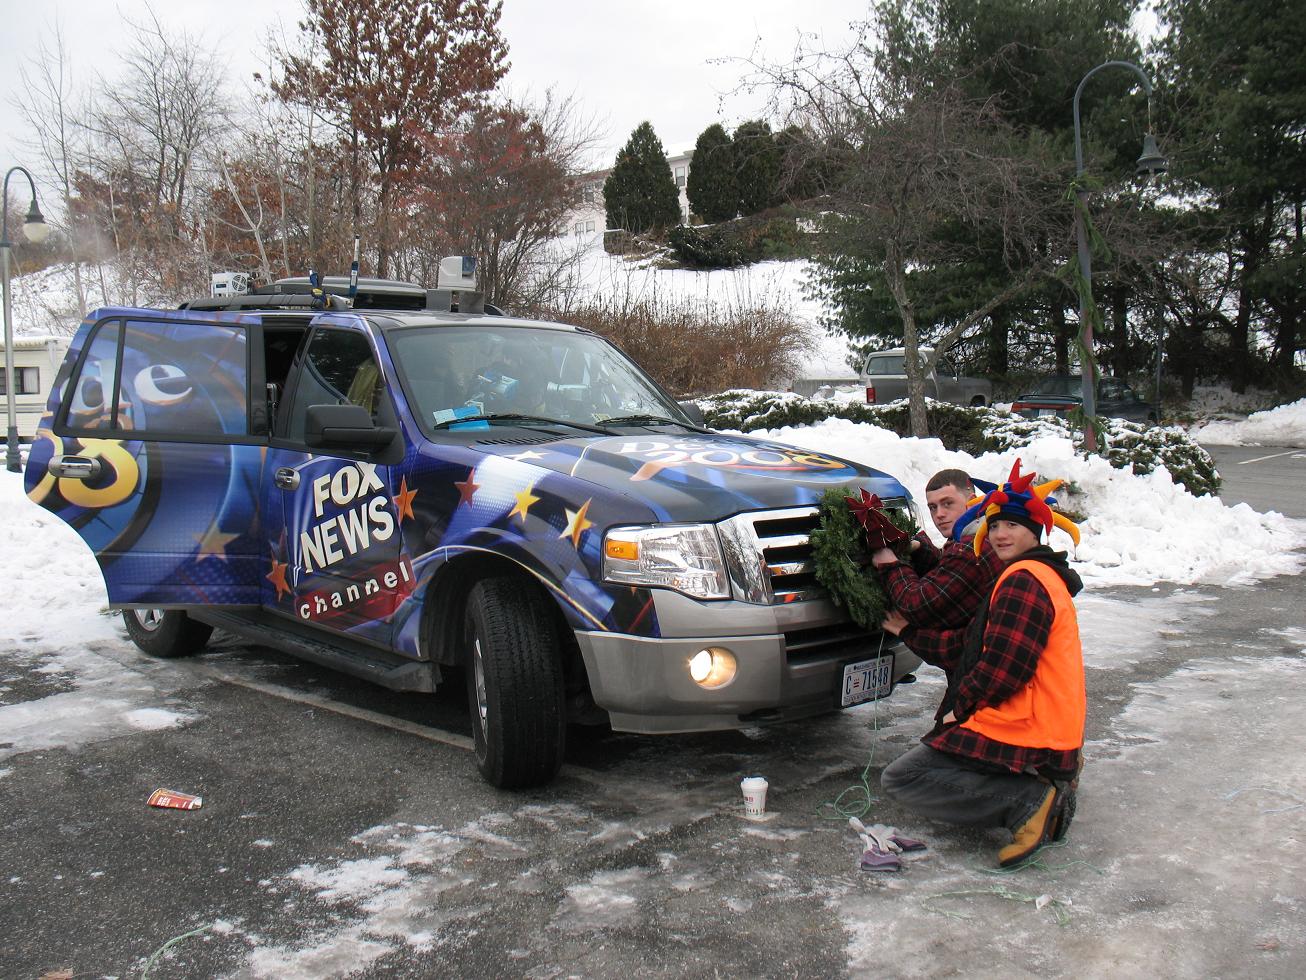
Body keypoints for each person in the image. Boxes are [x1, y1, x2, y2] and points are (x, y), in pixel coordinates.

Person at [879, 460, 1085, 867]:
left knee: (903, 777)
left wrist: (963, 705)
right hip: (1047, 720)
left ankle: (1028, 802)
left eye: (1012, 525)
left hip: (1029, 724)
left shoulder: (1024, 580)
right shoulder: (1040, 572)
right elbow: (981, 646)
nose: (1000, 534)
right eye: (994, 526)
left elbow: (1004, 667)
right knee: (940, 742)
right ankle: (1040, 786)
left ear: (1036, 530)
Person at [870, 468, 1004, 631]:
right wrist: (920, 548)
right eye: (933, 507)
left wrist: (890, 565)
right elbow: (944, 570)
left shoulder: (970, 549)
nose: (939, 514)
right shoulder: (982, 534)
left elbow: (917, 607)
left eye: (948, 503)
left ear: (973, 502)